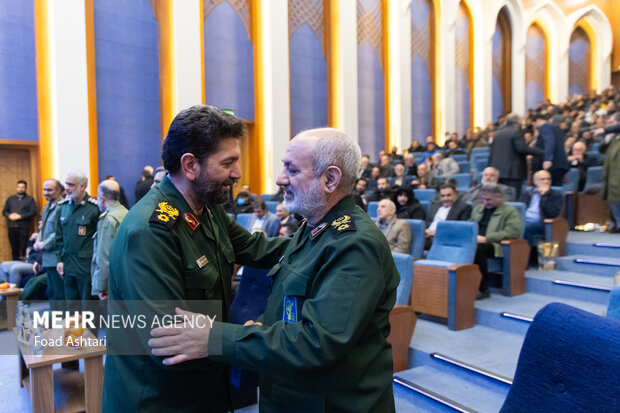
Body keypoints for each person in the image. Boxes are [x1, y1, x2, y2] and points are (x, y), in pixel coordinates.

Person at [148, 127, 399, 413]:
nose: (280, 179)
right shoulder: (315, 227)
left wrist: (214, 338)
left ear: (330, 179)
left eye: (291, 170)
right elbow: (293, 294)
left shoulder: (355, 245)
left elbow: (316, 343)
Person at [102, 105, 290, 413]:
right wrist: (246, 339)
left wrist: (318, 242)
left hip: (204, 390)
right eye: (228, 162)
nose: (238, 173)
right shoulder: (151, 231)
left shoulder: (206, 205)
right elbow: (167, 343)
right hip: (159, 399)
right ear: (190, 165)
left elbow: (256, 248)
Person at [55, 171, 100, 311]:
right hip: (67, 265)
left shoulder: (94, 208)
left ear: (82, 187)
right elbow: (59, 237)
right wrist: (59, 260)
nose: (67, 188)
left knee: (88, 308)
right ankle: (75, 334)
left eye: (71, 185)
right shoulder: (63, 207)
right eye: (66, 184)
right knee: (72, 306)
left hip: (85, 266)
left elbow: (101, 240)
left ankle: (91, 334)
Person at [470, 185, 523, 299]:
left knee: (477, 249)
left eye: (489, 199)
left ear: (499, 197)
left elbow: (512, 232)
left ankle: (483, 289)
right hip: (475, 240)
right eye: (483, 199)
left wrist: (487, 238)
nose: (485, 202)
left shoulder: (509, 211)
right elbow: (470, 224)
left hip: (496, 245)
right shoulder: (478, 209)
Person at [489, 114, 544, 199]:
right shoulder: (517, 132)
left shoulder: (498, 133)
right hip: (513, 172)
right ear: (517, 122)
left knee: (499, 197)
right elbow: (522, 148)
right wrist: (542, 152)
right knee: (512, 198)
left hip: (498, 171)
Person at [91, 180, 128, 300]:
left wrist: (101, 286)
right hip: (127, 279)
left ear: (101, 197)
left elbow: (104, 258)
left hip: (113, 284)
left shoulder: (107, 219)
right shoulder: (126, 212)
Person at [33, 179, 65, 310]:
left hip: (56, 258)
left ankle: (63, 324)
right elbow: (43, 230)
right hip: (46, 258)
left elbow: (59, 232)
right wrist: (37, 244)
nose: (46, 193)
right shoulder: (46, 207)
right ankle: (56, 323)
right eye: (44, 189)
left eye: (49, 190)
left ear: (58, 190)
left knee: (59, 294)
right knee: (52, 293)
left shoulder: (62, 207)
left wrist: (43, 244)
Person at [520, 170, 563, 260]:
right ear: (535, 181)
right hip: (524, 220)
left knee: (527, 227)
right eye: (542, 179)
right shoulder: (527, 193)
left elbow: (552, 213)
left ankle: (524, 260)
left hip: (542, 223)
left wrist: (545, 196)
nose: (546, 181)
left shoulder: (555, 195)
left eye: (548, 179)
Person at [425, 184, 471, 248]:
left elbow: (460, 229)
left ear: (455, 195)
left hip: (445, 239)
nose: (445, 198)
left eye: (448, 195)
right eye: (442, 196)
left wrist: (437, 232)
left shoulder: (464, 207)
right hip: (427, 236)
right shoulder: (434, 206)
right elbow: (428, 223)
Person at [594, 123, 620, 231]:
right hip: (612, 174)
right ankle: (618, 223)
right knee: (613, 199)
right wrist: (607, 137)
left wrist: (605, 130)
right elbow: (601, 149)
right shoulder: (614, 138)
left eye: (613, 123)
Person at [2, 180, 37, 260]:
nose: (20, 189)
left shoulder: (30, 199)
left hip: (23, 227)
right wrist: (9, 215)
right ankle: (14, 265)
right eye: (19, 187)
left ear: (25, 188)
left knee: (23, 248)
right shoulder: (11, 199)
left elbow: (33, 212)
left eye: (22, 187)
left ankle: (23, 266)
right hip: (11, 227)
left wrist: (20, 216)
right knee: (14, 249)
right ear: (16, 187)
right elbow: (4, 211)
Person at [532, 114, 569, 186]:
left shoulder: (545, 127)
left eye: (533, 123)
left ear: (538, 120)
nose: (533, 126)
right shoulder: (556, 128)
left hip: (553, 164)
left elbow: (549, 142)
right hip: (560, 164)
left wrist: (547, 159)